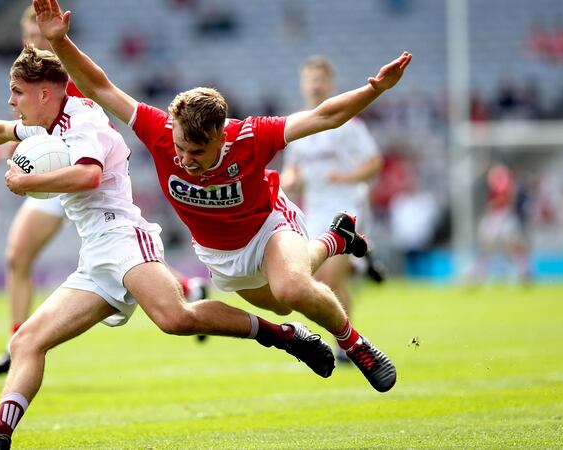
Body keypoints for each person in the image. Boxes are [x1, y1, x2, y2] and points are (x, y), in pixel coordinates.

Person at [0, 46, 340, 449]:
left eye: (16, 92)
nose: (11, 101)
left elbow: (88, 175)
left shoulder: (84, 120)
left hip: (124, 235)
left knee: (175, 318)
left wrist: (26, 182)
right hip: (96, 252)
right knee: (26, 342)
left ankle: (286, 336)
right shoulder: (49, 122)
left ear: (44, 92)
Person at [36, 0, 410, 392]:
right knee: (281, 305)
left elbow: (325, 116)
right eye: (180, 148)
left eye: (197, 152)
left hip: (268, 226)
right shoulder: (159, 129)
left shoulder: (252, 135)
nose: (185, 160)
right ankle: (336, 239)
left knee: (292, 288)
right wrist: (60, 42)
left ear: (220, 135)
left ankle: (354, 343)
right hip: (219, 253)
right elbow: (99, 86)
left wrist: (374, 88)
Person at [0, 5, 210, 376]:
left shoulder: (65, 82)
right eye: (33, 38)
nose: (40, 44)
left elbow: (88, 158)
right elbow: (10, 131)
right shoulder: (32, 83)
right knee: (17, 257)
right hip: (57, 178)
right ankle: (17, 344)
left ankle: (182, 288)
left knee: (117, 254)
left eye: (44, 37)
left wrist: (28, 174)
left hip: (80, 175)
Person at [280, 56, 384, 362]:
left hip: (347, 205)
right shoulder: (298, 127)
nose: (315, 84)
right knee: (320, 279)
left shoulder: (348, 125)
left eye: (320, 78)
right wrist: (289, 181)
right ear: (302, 84)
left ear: (330, 83)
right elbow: (291, 173)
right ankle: (364, 258)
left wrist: (346, 177)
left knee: (330, 277)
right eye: (310, 78)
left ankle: (345, 345)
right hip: (315, 210)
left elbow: (375, 162)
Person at [467, 163, 531, 284]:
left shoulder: (501, 179)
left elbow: (503, 199)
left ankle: (524, 271)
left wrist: (493, 204)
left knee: (510, 245)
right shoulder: (500, 180)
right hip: (498, 215)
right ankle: (477, 273)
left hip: (501, 215)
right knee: (488, 246)